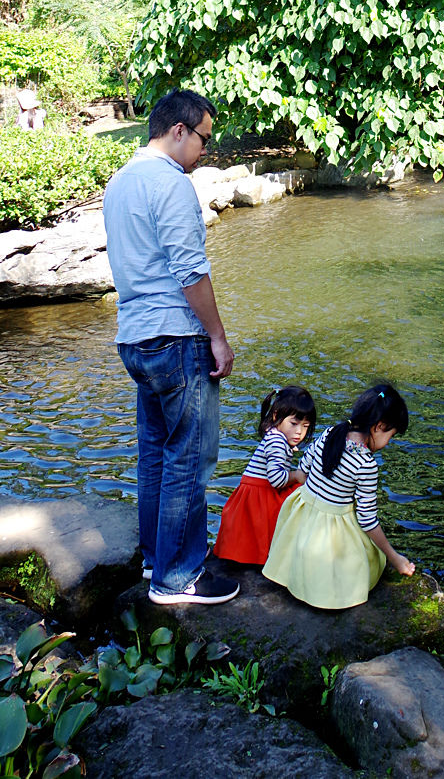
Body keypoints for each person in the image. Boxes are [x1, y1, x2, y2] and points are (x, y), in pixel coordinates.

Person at [103, 87, 239, 606]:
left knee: (156, 454)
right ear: (178, 130)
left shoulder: (120, 181)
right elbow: (190, 272)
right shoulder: (171, 184)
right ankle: (178, 576)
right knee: (189, 456)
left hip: (134, 337)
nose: (205, 150)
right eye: (204, 138)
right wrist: (218, 337)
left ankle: (154, 557)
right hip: (175, 337)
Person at [263, 381, 415, 609]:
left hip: (301, 520)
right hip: (329, 532)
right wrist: (395, 558)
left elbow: (303, 469)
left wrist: (319, 492)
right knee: (372, 559)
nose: (387, 443)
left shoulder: (331, 433)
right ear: (379, 426)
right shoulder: (366, 464)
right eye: (390, 436)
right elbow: (367, 520)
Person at [213, 385, 317, 565]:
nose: (299, 431)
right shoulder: (277, 441)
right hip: (260, 495)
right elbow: (277, 480)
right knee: (300, 492)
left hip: (256, 491)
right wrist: (297, 475)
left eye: (305, 426)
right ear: (276, 416)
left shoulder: (274, 433)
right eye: (294, 424)